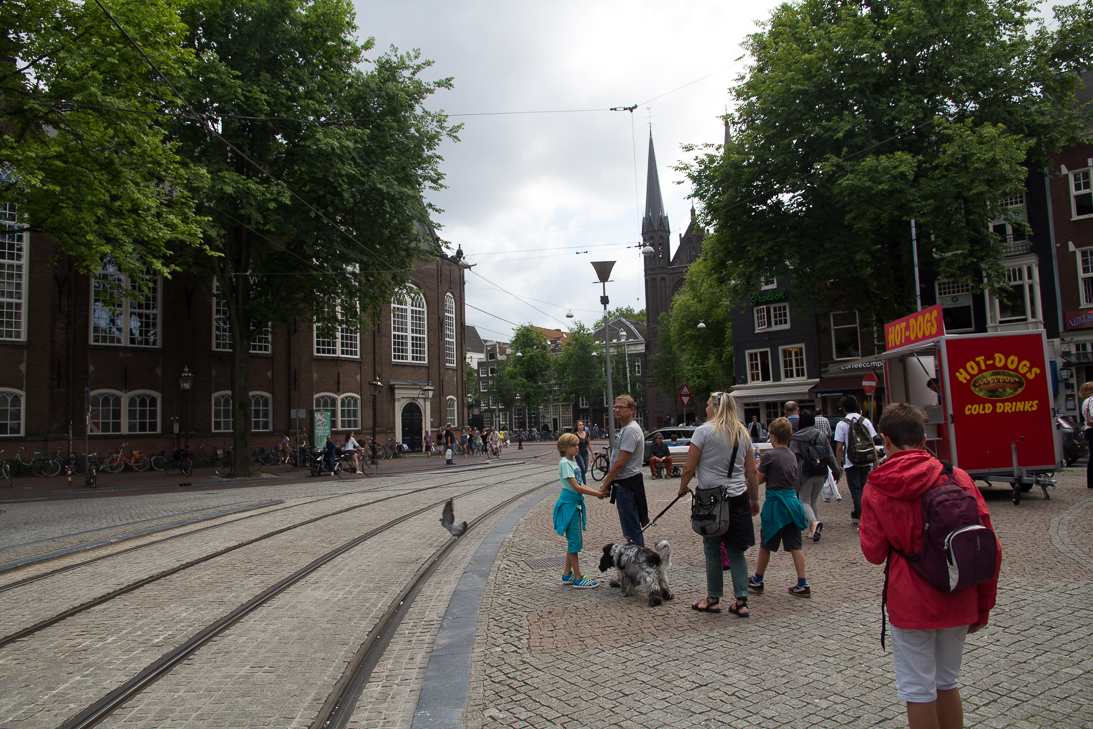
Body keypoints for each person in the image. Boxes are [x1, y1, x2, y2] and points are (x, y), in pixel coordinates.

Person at [860, 403, 1001, 729]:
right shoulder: (957, 476)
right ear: (924, 440)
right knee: (947, 682)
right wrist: (983, 605)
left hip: (911, 600)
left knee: (918, 689)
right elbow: (990, 545)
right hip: (958, 592)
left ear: (885, 440)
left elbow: (874, 552)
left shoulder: (878, 485)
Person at [677, 391, 759, 616]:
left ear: (716, 407)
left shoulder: (703, 431)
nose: (705, 409)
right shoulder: (742, 433)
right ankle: (741, 601)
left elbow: (689, 467)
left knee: (713, 550)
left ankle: (713, 598)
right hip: (738, 496)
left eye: (707, 405)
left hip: (711, 499)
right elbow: (752, 471)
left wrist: (683, 486)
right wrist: (754, 498)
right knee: (736, 551)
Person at [748, 417, 811, 597]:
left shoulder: (770, 456)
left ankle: (758, 579)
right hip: (792, 503)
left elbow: (758, 479)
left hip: (776, 505)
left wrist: (756, 467)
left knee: (766, 544)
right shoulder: (792, 455)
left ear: (773, 437)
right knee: (795, 545)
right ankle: (802, 583)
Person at [554, 432, 609, 589]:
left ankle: (567, 574)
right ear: (565, 448)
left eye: (577, 444)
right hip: (569, 505)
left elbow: (581, 484)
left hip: (574, 504)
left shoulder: (572, 462)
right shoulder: (565, 463)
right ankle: (578, 578)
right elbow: (576, 487)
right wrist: (597, 494)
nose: (577, 447)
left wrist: (597, 492)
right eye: (573, 445)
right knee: (574, 542)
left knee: (573, 540)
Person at [599, 394, 649, 547]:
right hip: (626, 485)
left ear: (632, 410)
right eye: (616, 407)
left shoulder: (631, 430)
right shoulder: (626, 429)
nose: (617, 410)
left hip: (627, 486)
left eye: (622, 407)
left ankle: (637, 558)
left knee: (632, 532)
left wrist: (605, 484)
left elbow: (620, 462)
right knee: (631, 529)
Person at [789, 410, 841, 541]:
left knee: (804, 501)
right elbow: (830, 455)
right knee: (813, 500)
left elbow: (793, 459)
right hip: (821, 472)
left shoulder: (796, 437)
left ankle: (813, 523)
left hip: (805, 473)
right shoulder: (820, 435)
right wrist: (836, 471)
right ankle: (811, 530)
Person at [835, 395, 877, 531]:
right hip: (866, 460)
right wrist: (875, 461)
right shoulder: (866, 421)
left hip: (851, 462)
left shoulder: (842, 424)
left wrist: (838, 464)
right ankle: (860, 515)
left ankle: (862, 519)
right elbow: (872, 442)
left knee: (856, 491)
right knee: (865, 489)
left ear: (844, 408)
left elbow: (840, 447)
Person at [1081, 382, 1093, 489]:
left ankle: (1091, 481)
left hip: (1088, 430)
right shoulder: (1092, 400)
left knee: (1091, 457)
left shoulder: (1085, 401)